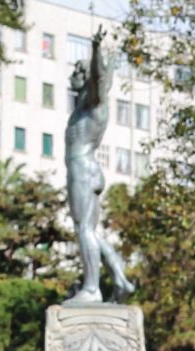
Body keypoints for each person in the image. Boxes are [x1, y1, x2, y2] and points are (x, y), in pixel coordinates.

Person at [65, 28, 134, 303]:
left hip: (82, 169)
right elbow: (103, 76)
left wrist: (95, 49)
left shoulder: (95, 102)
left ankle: (91, 289)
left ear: (84, 77)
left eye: (75, 72)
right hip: (86, 168)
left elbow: (98, 78)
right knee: (89, 231)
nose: (71, 76)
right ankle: (120, 277)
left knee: (83, 229)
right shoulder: (84, 107)